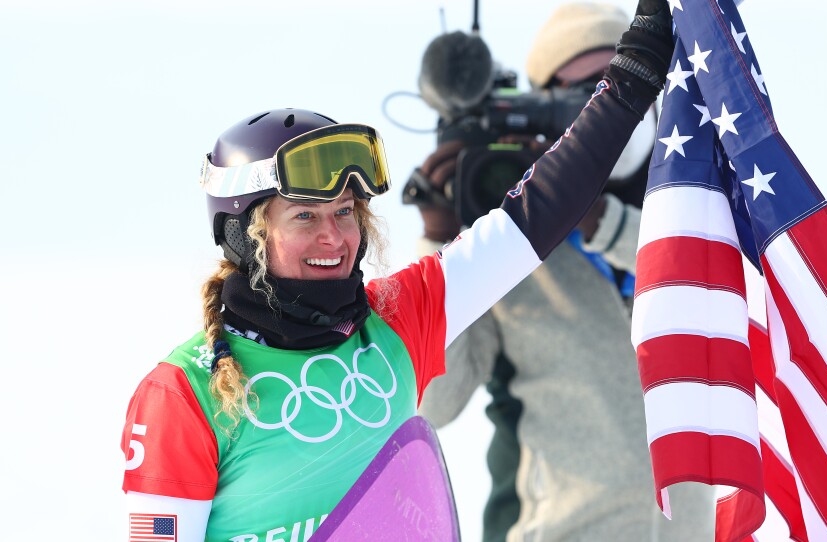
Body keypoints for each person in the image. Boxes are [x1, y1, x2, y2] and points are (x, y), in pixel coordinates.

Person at [119, 1, 674, 539]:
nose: (333, 237)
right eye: (305, 215)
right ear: (243, 232)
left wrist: (630, 80)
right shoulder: (183, 392)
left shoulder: (399, 320)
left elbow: (535, 216)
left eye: (345, 213)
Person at [411, 3, 716, 541]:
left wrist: (603, 222)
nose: (606, 107)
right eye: (577, 95)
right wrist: (439, 240)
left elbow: (717, 288)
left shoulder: (700, 217)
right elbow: (434, 403)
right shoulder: (506, 254)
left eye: (617, 84)